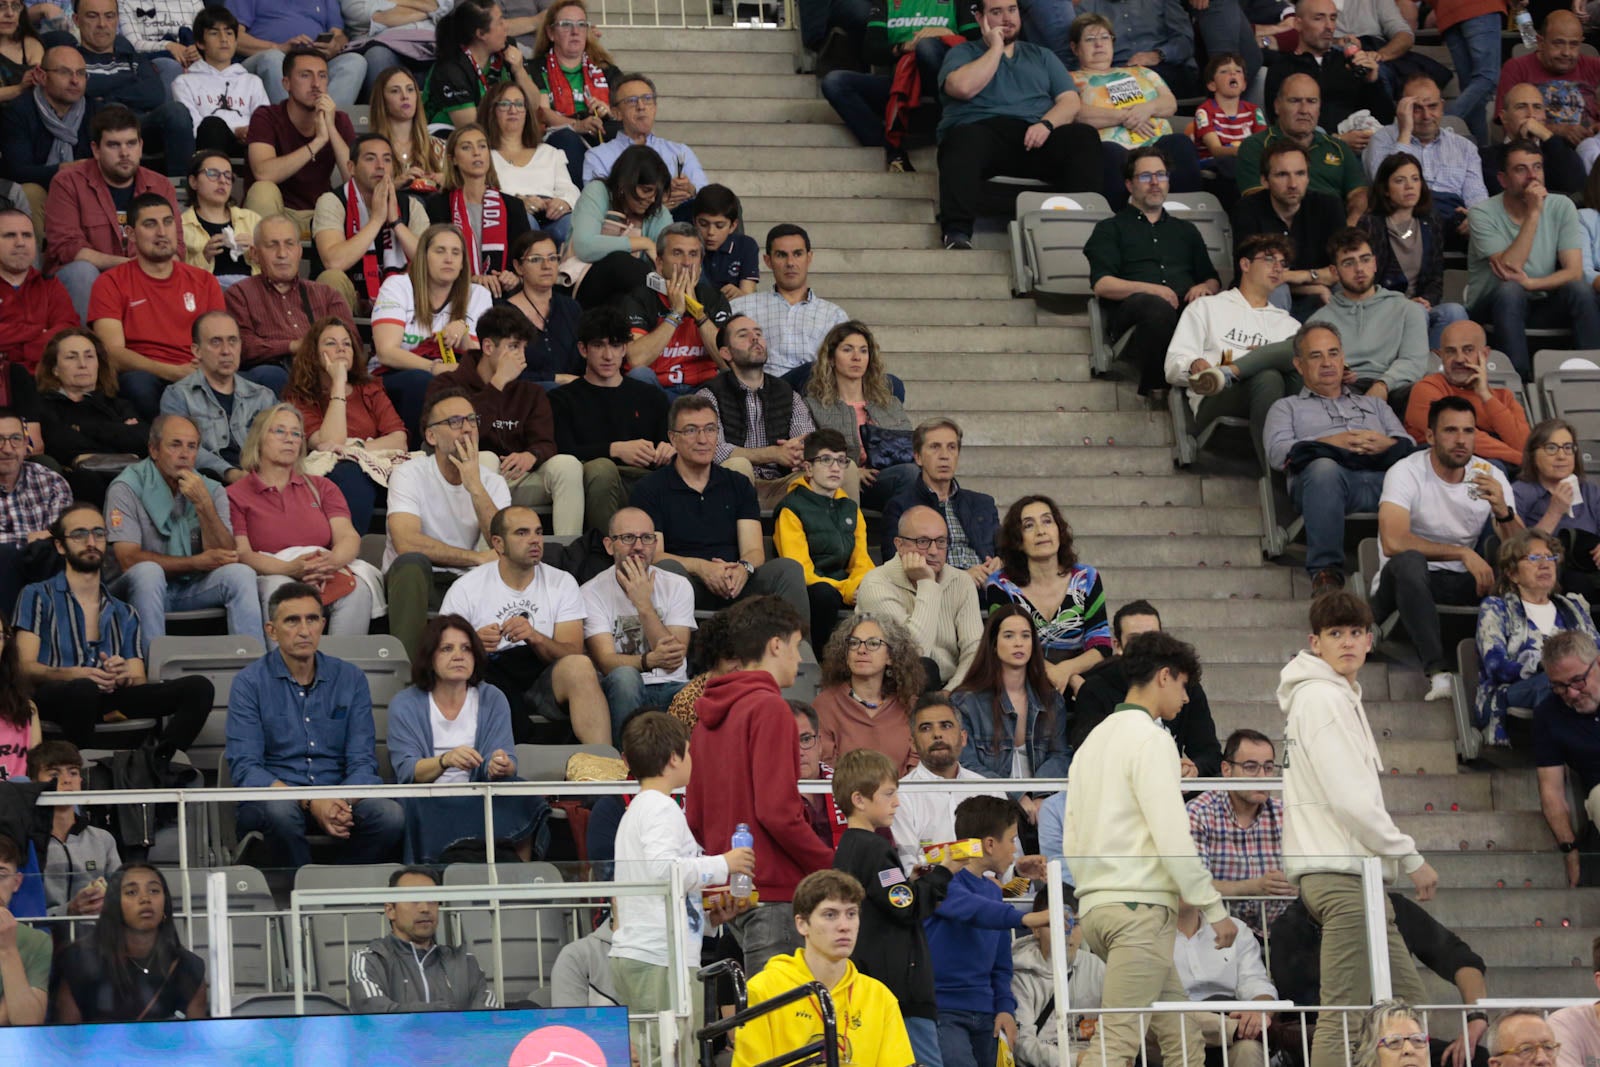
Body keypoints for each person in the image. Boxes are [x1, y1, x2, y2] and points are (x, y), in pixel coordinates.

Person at [1062, 629, 1237, 1067]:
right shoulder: (1154, 738)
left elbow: (1072, 830)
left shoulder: (1093, 742)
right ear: (1164, 676)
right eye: (1184, 685)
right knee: (1114, 1047)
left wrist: (1092, 893)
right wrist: (1213, 908)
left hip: (1100, 909)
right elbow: (1173, 834)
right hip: (1139, 911)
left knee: (1184, 1044)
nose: (1188, 698)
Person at [1280, 591, 1436, 1067]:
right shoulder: (1322, 698)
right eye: (1335, 634)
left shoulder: (1331, 696)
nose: (1346, 642)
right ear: (1316, 642)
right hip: (1340, 874)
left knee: (1408, 1008)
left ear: (1370, 640)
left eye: (1355, 632)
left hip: (1355, 876)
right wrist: (1410, 856)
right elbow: (1352, 801)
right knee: (1345, 1012)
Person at [683, 595, 835, 974]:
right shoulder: (770, 708)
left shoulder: (706, 719)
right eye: (797, 647)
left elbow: (696, 818)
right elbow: (777, 811)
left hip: (731, 896)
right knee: (783, 1026)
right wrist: (830, 864)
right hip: (776, 895)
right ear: (776, 644)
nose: (800, 660)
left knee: (759, 1024)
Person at [225, 580, 404, 869]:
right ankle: (302, 890)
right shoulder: (249, 683)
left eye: (312, 619)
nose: (304, 630)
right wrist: (310, 801)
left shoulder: (350, 678)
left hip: (338, 793)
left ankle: (339, 885)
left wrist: (337, 801)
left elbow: (362, 762)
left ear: (323, 624)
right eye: (292, 621)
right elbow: (246, 768)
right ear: (271, 630)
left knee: (389, 816)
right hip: (276, 798)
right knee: (280, 812)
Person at [610, 711, 751, 1066]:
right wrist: (725, 863)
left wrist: (709, 917)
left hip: (654, 953)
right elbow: (664, 871)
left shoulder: (641, 810)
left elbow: (663, 887)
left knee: (668, 1055)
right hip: (659, 957)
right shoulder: (660, 807)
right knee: (673, 1058)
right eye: (688, 751)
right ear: (674, 757)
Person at [15, 504, 211, 753]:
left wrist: (123, 676)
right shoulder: (37, 595)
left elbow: (137, 678)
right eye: (79, 534)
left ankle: (157, 765)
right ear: (60, 546)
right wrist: (73, 674)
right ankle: (81, 771)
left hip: (108, 698)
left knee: (198, 688)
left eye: (98, 533)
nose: (91, 541)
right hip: (56, 695)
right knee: (83, 689)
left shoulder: (125, 611)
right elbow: (23, 668)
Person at [1374, 396, 1522, 700]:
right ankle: (1438, 672)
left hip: (1460, 581)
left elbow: (1522, 551)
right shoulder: (1405, 472)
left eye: (1468, 432)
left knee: (1522, 574)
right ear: (1430, 436)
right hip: (1403, 582)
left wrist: (1502, 511)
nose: (1460, 440)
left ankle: (1516, 673)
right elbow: (1394, 542)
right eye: (1450, 431)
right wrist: (1463, 552)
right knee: (1409, 561)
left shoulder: (1490, 475)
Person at [934, 0, 1102, 250]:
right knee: (963, 139)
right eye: (996, 12)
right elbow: (962, 87)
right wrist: (996, 48)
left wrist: (1047, 124)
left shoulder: (1041, 55)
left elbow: (1069, 101)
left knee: (1083, 137)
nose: (1007, 18)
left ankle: (1083, 228)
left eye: (1012, 10)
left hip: (1035, 136)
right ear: (980, 18)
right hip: (982, 134)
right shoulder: (963, 53)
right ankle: (957, 232)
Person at [1263, 321, 1415, 595]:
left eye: (1333, 353)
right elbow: (1277, 453)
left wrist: (1386, 443)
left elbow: (1410, 446)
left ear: (1343, 358)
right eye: (1316, 356)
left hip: (1385, 483)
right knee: (1324, 468)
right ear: (1299, 365)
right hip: (1327, 484)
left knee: (1416, 471)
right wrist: (1329, 442)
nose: (1327, 363)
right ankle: (1326, 573)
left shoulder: (1375, 405)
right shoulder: (1286, 407)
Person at [438, 504, 610, 745]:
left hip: (542, 675)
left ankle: (600, 766)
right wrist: (471, 643)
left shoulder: (561, 582)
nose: (534, 540)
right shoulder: (467, 587)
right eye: (522, 533)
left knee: (580, 666)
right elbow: (441, 653)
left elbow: (571, 651)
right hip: (489, 676)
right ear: (498, 543)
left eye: (538, 532)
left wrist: (535, 636)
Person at [629, 394, 808, 620]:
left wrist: (744, 568)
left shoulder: (738, 484)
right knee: (667, 570)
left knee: (788, 570)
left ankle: (798, 652)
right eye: (691, 430)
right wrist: (702, 568)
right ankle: (670, 652)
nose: (703, 439)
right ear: (673, 439)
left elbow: (753, 550)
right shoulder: (650, 488)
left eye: (710, 429)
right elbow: (655, 555)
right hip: (686, 582)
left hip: (735, 581)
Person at [386, 616, 548, 862]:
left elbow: (507, 758)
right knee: (412, 803)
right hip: (428, 797)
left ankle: (517, 876)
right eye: (447, 649)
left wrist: (499, 765)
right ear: (429, 657)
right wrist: (446, 760)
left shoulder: (492, 698)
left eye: (466, 648)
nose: (459, 655)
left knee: (520, 791)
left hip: (479, 792)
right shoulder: (406, 703)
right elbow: (408, 772)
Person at [105, 413, 263, 648]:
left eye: (192, 447)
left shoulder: (210, 489)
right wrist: (196, 562)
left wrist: (204, 506)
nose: (184, 454)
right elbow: (128, 560)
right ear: (154, 450)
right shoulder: (126, 487)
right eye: (175, 445)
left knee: (241, 574)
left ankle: (252, 670)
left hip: (190, 588)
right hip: (136, 589)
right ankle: (154, 677)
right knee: (149, 572)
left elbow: (227, 555)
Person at [423, 305, 582, 535]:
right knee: (486, 459)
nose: (522, 357)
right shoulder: (447, 385)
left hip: (515, 478)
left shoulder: (531, 393)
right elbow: (461, 434)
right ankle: (486, 558)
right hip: (463, 479)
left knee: (568, 465)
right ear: (488, 346)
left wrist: (532, 455)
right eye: (513, 347)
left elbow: (547, 443)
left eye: (524, 348)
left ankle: (567, 558)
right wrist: (496, 385)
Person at [732, 869, 915, 1067]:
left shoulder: (879, 996)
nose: (844, 926)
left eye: (851, 914)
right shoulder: (764, 990)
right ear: (802, 924)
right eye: (830, 915)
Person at [830, 748, 940, 1067]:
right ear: (860, 800)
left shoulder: (847, 849)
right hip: (900, 991)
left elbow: (891, 894)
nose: (897, 802)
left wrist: (910, 882)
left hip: (868, 983)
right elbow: (904, 906)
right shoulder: (877, 849)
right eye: (889, 794)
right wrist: (941, 875)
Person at [922, 794, 1051, 1067]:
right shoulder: (940, 883)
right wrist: (1028, 919)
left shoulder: (993, 893)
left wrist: (1005, 1006)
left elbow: (1001, 963)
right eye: (1013, 840)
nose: (1015, 849)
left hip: (987, 1014)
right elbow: (976, 910)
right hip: (943, 1011)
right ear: (990, 844)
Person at [383, 389, 511, 660]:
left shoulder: (492, 483)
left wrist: (474, 485)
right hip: (416, 581)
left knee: (505, 572)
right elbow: (406, 542)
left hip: (463, 581)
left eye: (471, 420)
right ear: (431, 436)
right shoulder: (409, 474)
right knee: (412, 562)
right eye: (454, 422)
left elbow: (504, 546)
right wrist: (474, 558)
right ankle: (409, 673)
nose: (466, 429)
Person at [1085, 145, 1220, 398]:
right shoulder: (1110, 229)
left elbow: (1212, 279)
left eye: (1162, 175)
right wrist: (1152, 289)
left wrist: (1205, 287)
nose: (1155, 183)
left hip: (1186, 309)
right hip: (1135, 311)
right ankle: (1158, 385)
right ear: (1129, 184)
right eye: (1146, 177)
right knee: (1155, 305)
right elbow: (1102, 284)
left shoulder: (1186, 231)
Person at [226, 403, 370, 636]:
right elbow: (242, 553)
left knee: (358, 589)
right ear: (259, 439)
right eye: (280, 431)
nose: (290, 439)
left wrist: (330, 563)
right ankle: (283, 670)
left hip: (320, 569)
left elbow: (347, 535)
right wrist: (290, 569)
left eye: (296, 433)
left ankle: (342, 669)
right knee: (279, 589)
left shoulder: (322, 486)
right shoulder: (235, 495)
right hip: (271, 574)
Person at [1467, 137, 1600, 381]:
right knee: (1511, 291)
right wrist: (1534, 213)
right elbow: (1511, 267)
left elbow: (1573, 271)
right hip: (1490, 305)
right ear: (1502, 179)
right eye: (1521, 169)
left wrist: (1532, 284)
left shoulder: (1562, 205)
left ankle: (1590, 374)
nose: (1532, 176)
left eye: (1537, 167)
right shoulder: (1481, 213)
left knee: (1579, 290)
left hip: (1540, 300)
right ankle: (1519, 382)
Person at [1164, 233, 1301, 470]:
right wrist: (1194, 364)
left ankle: (1286, 460)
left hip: (1275, 401)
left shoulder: (1289, 324)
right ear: (1245, 264)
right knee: (1269, 375)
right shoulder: (1207, 307)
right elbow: (1174, 364)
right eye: (1269, 259)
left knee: (1299, 352)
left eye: (1283, 263)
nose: (1278, 268)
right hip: (1218, 399)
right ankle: (1277, 474)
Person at [88, 193, 225, 420]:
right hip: (146, 375)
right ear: (130, 234)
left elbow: (218, 339)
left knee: (262, 380)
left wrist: (200, 369)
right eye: (150, 224)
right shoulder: (110, 282)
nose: (162, 232)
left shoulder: (204, 280)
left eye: (168, 222)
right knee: (138, 383)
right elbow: (112, 353)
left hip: (197, 371)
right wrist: (172, 372)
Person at [42, 104, 181, 325]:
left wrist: (144, 269)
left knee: (179, 272)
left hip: (143, 278)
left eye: (131, 143)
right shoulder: (68, 182)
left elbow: (176, 247)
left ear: (141, 145)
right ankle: (91, 353)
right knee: (82, 272)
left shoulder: (160, 185)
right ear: (96, 150)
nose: (125, 153)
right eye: (114, 145)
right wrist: (129, 266)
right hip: (89, 280)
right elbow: (67, 249)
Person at [549, 305, 672, 534]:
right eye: (598, 346)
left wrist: (667, 450)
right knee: (602, 469)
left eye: (616, 346)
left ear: (625, 348)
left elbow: (667, 441)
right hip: (593, 482)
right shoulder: (561, 399)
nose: (608, 355)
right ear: (583, 349)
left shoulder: (651, 396)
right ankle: (603, 555)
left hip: (646, 479)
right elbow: (561, 451)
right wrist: (614, 449)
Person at [282, 315, 406, 536]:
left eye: (346, 344)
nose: (341, 349)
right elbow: (329, 442)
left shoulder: (369, 388)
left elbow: (398, 439)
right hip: (332, 477)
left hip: (378, 472)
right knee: (350, 472)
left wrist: (354, 451)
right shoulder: (299, 398)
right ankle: (346, 550)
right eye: (331, 343)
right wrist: (338, 383)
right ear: (313, 352)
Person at [819, 0, 976, 173]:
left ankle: (954, 131)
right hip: (901, 84)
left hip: (944, 83)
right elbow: (870, 50)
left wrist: (948, 35)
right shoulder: (886, 3)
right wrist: (903, 47)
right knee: (835, 82)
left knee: (927, 47)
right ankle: (892, 152)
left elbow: (978, 43)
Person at [1070, 600, 1223, 776]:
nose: (1147, 648)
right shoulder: (1095, 689)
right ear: (1117, 646)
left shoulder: (1186, 686)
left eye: (1153, 638)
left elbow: (1210, 754)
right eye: (1136, 640)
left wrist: (1194, 768)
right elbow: (1090, 760)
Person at [696, 315, 835, 509]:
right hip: (731, 485)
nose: (755, 338)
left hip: (782, 483)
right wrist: (773, 453)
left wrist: (800, 453)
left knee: (830, 468)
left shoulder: (787, 393)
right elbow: (713, 449)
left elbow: (807, 439)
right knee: (738, 466)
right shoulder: (709, 395)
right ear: (726, 353)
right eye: (743, 335)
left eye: (758, 333)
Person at [370, 224, 493, 441]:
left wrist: (464, 333)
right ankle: (417, 451)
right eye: (440, 251)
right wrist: (435, 368)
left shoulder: (478, 294)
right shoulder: (398, 286)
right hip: (394, 376)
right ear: (423, 256)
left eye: (456, 253)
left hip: (448, 378)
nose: (449, 259)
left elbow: (481, 363)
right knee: (422, 380)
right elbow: (386, 352)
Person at [580, 507, 696, 734]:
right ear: (608, 545)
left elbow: (674, 659)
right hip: (622, 692)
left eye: (646, 538)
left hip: (674, 688)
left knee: (709, 687)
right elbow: (607, 662)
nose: (639, 546)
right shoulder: (590, 593)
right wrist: (648, 661)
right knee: (624, 677)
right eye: (628, 538)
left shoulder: (677, 585)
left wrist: (644, 605)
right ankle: (624, 765)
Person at [1477, 528, 1597, 746]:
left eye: (1550, 557)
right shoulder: (1497, 608)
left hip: (1579, 684)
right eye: (1534, 558)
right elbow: (1495, 666)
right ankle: (1564, 760)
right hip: (1515, 689)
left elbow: (1596, 654)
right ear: (1512, 573)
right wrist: (1551, 669)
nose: (1545, 564)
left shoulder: (1573, 607)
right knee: (1554, 685)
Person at [1068, 15, 1203, 207]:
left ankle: (1186, 214)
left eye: (1105, 38)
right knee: (1109, 153)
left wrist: (1146, 109)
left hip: (1156, 145)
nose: (1099, 44)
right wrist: (1125, 116)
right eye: (1090, 39)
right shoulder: (1071, 79)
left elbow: (1169, 103)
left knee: (1180, 143)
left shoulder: (1141, 72)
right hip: (1114, 149)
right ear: (1075, 48)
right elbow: (1075, 112)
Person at [983, 494, 1112, 690]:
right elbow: (1004, 643)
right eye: (1029, 525)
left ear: (1059, 530)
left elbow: (1101, 644)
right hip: (1024, 673)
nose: (1041, 531)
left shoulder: (1087, 578)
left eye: (1047, 521)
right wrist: (1059, 675)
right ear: (1018, 540)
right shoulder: (1001, 585)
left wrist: (1067, 671)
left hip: (1081, 671)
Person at [49, 863, 206, 1022]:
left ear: (165, 903)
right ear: (114, 904)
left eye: (154, 891)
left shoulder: (189, 968)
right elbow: (67, 1040)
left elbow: (195, 1043)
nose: (145, 899)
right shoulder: (78, 962)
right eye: (131, 892)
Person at [230, 214, 360, 396]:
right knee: (270, 375)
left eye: (289, 244)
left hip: (323, 370)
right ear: (254, 254)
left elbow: (352, 341)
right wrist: (293, 346)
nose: (282, 253)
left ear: (299, 251)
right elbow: (241, 346)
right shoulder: (239, 294)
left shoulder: (327, 295)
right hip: (273, 377)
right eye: (272, 245)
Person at [858, 506, 984, 689]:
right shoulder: (876, 584)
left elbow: (975, 649)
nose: (934, 551)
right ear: (899, 545)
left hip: (954, 688)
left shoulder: (961, 581)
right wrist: (927, 583)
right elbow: (914, 653)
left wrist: (952, 691)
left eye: (941, 541)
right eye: (923, 541)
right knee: (926, 668)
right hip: (896, 688)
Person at [1187, 728, 1294, 936]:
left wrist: (1293, 886)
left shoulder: (1286, 814)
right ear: (1226, 770)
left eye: (1269, 768)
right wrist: (1252, 887)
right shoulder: (1200, 813)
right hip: (1217, 934)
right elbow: (1192, 886)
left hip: (1282, 935)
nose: (1262, 777)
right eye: (1251, 767)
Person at [951, 604, 1071, 788]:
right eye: (1009, 636)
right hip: (988, 801)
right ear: (993, 644)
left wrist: (1039, 796)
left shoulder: (1052, 700)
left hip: (1042, 800)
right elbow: (966, 764)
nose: (1018, 643)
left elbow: (1060, 755)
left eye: (1025, 635)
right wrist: (1016, 796)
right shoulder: (965, 701)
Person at [348, 865, 498, 1012]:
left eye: (432, 899)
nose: (425, 908)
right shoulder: (369, 960)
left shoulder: (465, 962)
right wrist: (446, 1014)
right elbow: (376, 1015)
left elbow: (487, 1021)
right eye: (414, 900)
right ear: (391, 910)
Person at [1358, 153, 1469, 349]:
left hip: (1419, 306)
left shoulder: (1430, 221)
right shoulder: (1371, 224)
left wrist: (1427, 301)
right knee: (1416, 312)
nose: (1409, 186)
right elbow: (1367, 281)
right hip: (1383, 308)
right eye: (1400, 180)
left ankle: (1436, 371)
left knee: (1455, 311)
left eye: (1415, 179)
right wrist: (1404, 303)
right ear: (1385, 189)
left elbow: (1436, 278)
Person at [802, 321, 917, 512]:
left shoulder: (889, 403)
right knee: (910, 475)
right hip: (842, 481)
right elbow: (811, 454)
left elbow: (908, 447)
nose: (857, 357)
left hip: (888, 478)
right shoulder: (814, 405)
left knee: (921, 473)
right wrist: (853, 470)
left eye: (863, 351)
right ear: (831, 358)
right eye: (848, 350)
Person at [773, 429, 875, 643]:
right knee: (823, 593)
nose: (836, 467)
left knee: (879, 588)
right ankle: (822, 661)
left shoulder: (850, 508)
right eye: (826, 460)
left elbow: (862, 561)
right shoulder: (791, 508)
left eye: (841, 460)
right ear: (808, 468)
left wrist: (859, 585)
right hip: (812, 592)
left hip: (845, 588)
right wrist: (847, 589)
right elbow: (800, 572)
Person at [311, 133, 428, 317]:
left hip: (400, 300)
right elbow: (334, 261)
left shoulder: (411, 205)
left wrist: (396, 222)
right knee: (331, 278)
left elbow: (428, 263)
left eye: (387, 160)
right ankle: (340, 344)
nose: (380, 166)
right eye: (370, 158)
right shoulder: (333, 201)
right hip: (350, 299)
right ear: (351, 168)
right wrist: (376, 220)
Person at [1229, 140, 1346, 321]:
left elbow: (1340, 270)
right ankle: (1274, 347)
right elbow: (1252, 276)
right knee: (1275, 289)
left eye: (1300, 174)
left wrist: (1294, 276)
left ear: (1308, 177)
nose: (1293, 184)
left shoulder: (1328, 206)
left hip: (1320, 297)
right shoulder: (1247, 210)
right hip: (1270, 296)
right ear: (1264, 180)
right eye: (1282, 175)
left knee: (1346, 287)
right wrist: (1313, 285)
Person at [240, 48, 356, 230]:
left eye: (322, 76)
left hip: (320, 215)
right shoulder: (266, 116)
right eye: (305, 76)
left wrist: (330, 128)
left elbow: (354, 179)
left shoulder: (339, 120)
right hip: (277, 213)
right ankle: (262, 257)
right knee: (262, 190)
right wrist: (318, 141)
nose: (316, 84)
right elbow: (263, 173)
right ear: (286, 83)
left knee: (348, 199)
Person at [892, 693, 1008, 873]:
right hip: (934, 898)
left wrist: (1016, 874)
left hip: (989, 896)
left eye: (946, 726)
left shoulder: (990, 790)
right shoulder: (900, 796)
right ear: (913, 744)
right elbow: (908, 869)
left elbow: (1009, 863)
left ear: (963, 738)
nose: (937, 734)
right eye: (925, 728)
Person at [31, 328, 148, 503]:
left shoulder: (118, 404)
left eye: (89, 356)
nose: (82, 364)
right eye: (72, 357)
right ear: (55, 369)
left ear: (98, 363)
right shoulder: (43, 405)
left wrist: (83, 428)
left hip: (126, 478)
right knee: (85, 479)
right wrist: (119, 431)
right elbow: (61, 445)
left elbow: (143, 440)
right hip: (79, 485)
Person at [157, 311, 274, 485]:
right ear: (197, 351)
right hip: (208, 484)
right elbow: (182, 451)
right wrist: (231, 474)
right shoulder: (178, 395)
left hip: (262, 483)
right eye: (216, 342)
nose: (226, 351)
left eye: (233, 341)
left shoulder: (263, 396)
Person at [730, 225, 852, 391]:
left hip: (817, 394)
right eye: (781, 255)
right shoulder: (742, 307)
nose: (790, 263)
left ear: (809, 258)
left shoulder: (834, 315)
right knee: (811, 370)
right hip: (763, 389)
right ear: (768, 261)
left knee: (892, 383)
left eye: (797, 254)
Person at [879, 418, 1000, 585]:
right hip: (937, 591)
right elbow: (896, 567)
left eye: (951, 447)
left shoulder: (982, 503)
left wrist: (1000, 563)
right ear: (918, 457)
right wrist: (961, 578)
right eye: (935, 447)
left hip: (987, 587)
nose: (944, 456)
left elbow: (1006, 553)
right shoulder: (900, 507)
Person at [1363, 74, 1487, 234]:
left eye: (1433, 106)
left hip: (1451, 217)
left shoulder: (1464, 147)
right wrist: (1405, 131)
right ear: (1402, 109)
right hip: (1403, 215)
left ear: (1442, 106)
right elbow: (1385, 185)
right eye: (1417, 108)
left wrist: (1477, 217)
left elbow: (1476, 193)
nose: (1426, 116)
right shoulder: (1382, 139)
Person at [1263, 0, 1396, 147]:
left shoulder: (1350, 64)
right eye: (1319, 18)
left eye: (1332, 18)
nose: (1329, 27)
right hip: (1309, 153)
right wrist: (1336, 140)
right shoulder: (1282, 68)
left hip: (1363, 148)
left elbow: (1386, 119)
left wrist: (1373, 82)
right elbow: (1280, 125)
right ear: (1297, 24)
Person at [422, 123, 531, 298]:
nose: (476, 153)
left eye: (482, 146)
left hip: (504, 297)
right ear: (453, 159)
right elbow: (433, 259)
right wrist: (471, 280)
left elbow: (526, 257)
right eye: (466, 147)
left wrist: (515, 277)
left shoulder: (513, 206)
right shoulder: (438, 206)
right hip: (455, 295)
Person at [1234, 74, 1370, 213]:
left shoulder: (1338, 147)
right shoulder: (1255, 146)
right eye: (1295, 101)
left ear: (1319, 108)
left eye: (1311, 101)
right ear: (1277, 106)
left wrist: (1351, 225)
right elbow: (1256, 200)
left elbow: (1359, 193)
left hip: (1336, 227)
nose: (1304, 110)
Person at [621, 223, 731, 395]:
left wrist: (697, 311)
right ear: (659, 263)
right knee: (639, 375)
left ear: (700, 264)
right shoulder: (639, 298)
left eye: (693, 254)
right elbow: (636, 360)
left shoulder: (713, 298)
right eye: (677, 253)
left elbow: (728, 362)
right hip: (658, 392)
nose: (686, 263)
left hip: (704, 392)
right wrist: (676, 313)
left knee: (731, 378)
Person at [1403, 320, 1530, 469]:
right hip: (1439, 472)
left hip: (1501, 472)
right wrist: (1525, 461)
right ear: (1441, 355)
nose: (1459, 359)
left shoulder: (1504, 397)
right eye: (1450, 351)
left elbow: (1525, 445)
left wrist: (1485, 396)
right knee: (1494, 467)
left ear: (1485, 354)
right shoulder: (1427, 389)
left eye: (1468, 350)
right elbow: (1460, 439)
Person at [812, 613, 924, 776]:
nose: (861, 650)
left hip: (904, 798)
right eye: (854, 643)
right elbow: (827, 771)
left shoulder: (911, 706)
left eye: (873, 643)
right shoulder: (825, 705)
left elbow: (918, 770)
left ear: (891, 656)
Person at [1172, 897, 1278, 1067]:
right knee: (1171, 1019)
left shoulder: (1236, 928)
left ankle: (1241, 1030)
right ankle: (1240, 1030)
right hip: (1173, 1030)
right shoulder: (1142, 934)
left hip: (1230, 1015)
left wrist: (1258, 1013)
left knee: (1249, 1049)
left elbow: (1256, 983)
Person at [568, 145, 673, 312]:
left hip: (629, 295)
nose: (652, 199)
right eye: (646, 190)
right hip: (583, 285)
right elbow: (584, 247)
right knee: (620, 262)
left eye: (656, 193)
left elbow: (668, 258)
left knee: (623, 302)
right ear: (625, 182)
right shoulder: (598, 192)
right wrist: (643, 242)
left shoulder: (658, 212)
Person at [526, 0, 620, 186]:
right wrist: (577, 125)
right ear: (551, 33)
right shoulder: (535, 68)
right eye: (566, 25)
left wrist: (608, 112)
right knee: (566, 139)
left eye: (581, 25)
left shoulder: (607, 71)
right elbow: (543, 112)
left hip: (600, 130)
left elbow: (624, 111)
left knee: (622, 133)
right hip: (559, 134)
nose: (575, 31)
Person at [1496, 9, 1600, 172]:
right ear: (1540, 42)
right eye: (1558, 43)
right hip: (1539, 157)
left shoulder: (1594, 67)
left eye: (1574, 44)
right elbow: (1509, 124)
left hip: (1591, 152)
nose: (1566, 52)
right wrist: (1560, 131)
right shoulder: (1516, 68)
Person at [1010, 887, 1104, 1067]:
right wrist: (1075, 1061)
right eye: (1058, 923)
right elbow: (1022, 1045)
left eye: (1075, 923)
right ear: (1036, 929)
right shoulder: (1019, 974)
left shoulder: (1097, 967)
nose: (1067, 933)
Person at [1535, 629, 1600, 886]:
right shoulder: (1548, 715)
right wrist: (1569, 850)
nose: (1571, 694)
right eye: (1559, 687)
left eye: (1578, 681)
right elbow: (1551, 791)